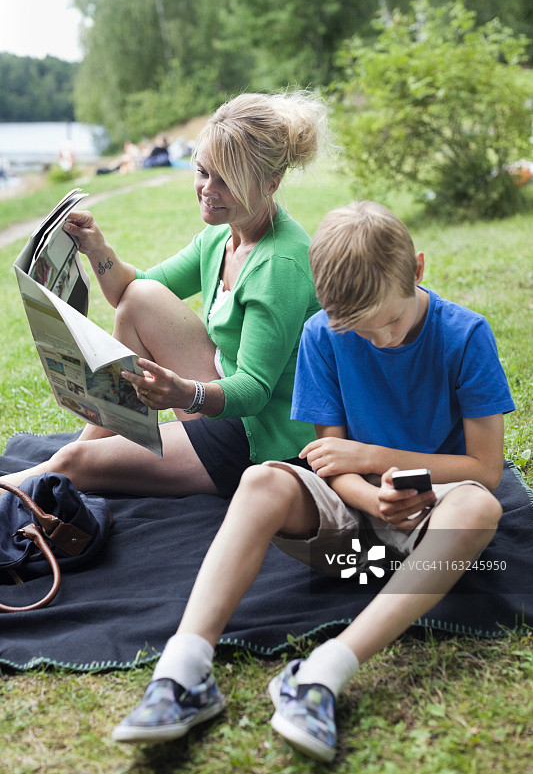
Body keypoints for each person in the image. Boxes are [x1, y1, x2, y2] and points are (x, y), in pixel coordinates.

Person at [111, 200, 514, 761]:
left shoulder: (466, 336)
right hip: (353, 538)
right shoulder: (321, 335)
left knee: (477, 509)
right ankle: (184, 671)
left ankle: (323, 672)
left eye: (391, 322)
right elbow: (329, 462)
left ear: (418, 269)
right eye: (360, 330)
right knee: (260, 482)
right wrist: (371, 493)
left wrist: (374, 455)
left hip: (433, 527)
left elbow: (485, 470)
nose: (381, 341)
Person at [0, 92, 327, 499]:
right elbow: (130, 294)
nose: (207, 189)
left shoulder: (280, 265)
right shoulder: (221, 236)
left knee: (71, 466)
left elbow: (256, 390)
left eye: (225, 180)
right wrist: (98, 250)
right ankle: (87, 445)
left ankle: (69, 462)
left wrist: (184, 393)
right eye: (203, 171)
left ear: (270, 184)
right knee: (142, 297)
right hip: (219, 392)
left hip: (257, 438)